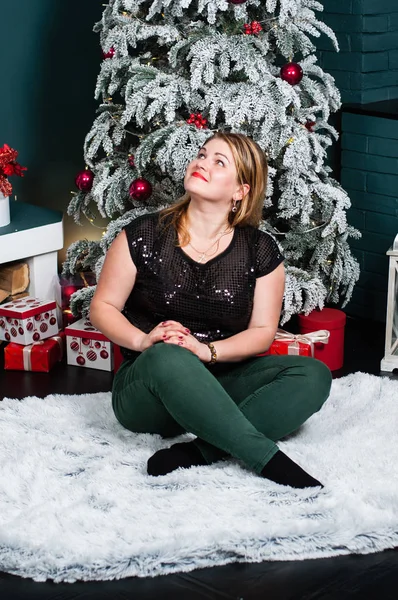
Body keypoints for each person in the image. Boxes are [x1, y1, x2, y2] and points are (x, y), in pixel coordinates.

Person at [89, 131, 332, 488]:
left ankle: (199, 452)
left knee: (313, 375)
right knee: (168, 354)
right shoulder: (143, 234)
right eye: (202, 155)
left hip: (220, 378)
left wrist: (206, 351)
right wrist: (143, 341)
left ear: (240, 191)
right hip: (150, 389)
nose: (202, 162)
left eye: (219, 162)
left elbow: (262, 333)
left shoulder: (260, 250)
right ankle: (267, 460)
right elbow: (103, 306)